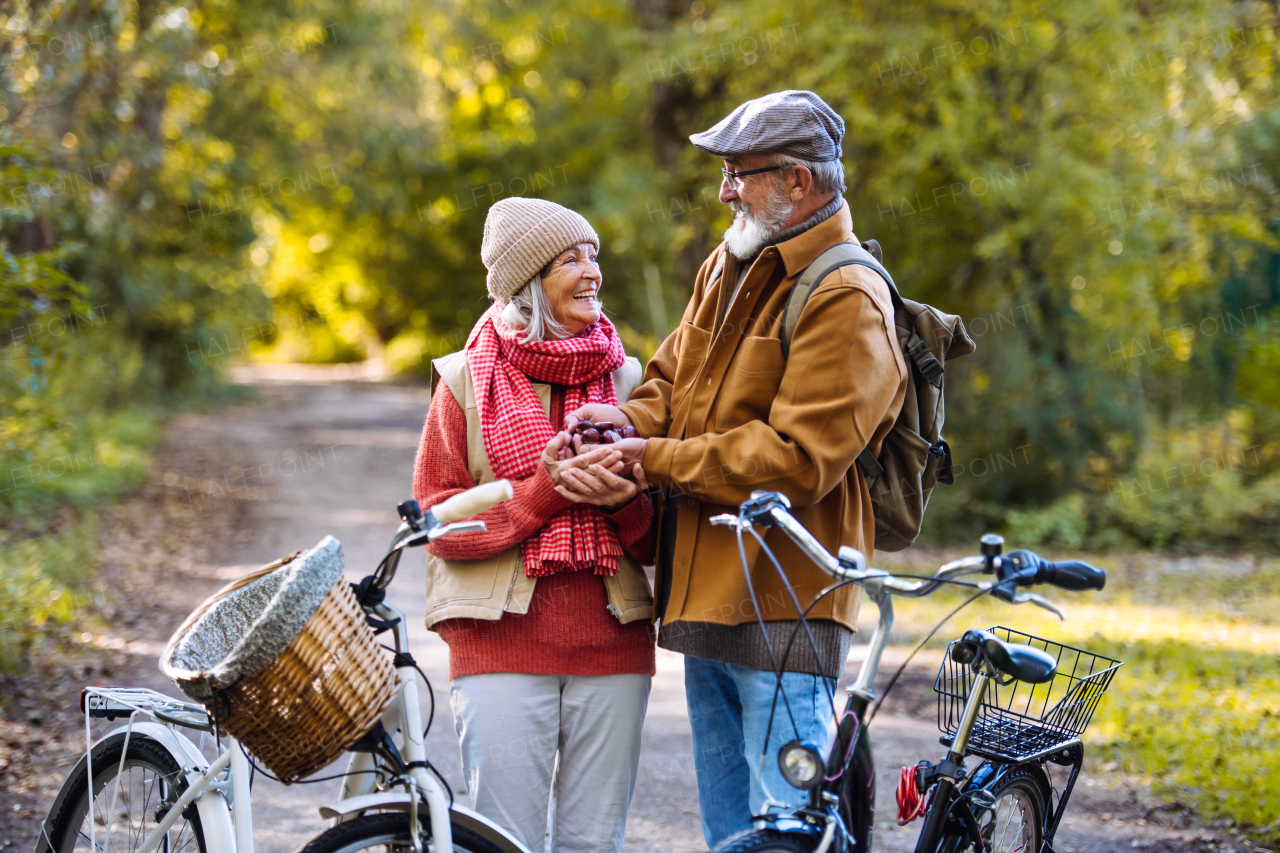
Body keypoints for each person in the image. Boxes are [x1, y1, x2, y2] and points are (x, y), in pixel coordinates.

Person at [565, 90, 908, 847]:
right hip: (708, 599)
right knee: (733, 835)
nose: (724, 190)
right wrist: (626, 419)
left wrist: (650, 457)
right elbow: (669, 378)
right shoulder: (730, 262)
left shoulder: (847, 295)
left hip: (788, 608)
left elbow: (797, 459)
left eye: (738, 173)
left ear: (798, 181)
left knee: (789, 833)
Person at [413, 197, 657, 853]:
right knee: (504, 843)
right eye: (571, 259)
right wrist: (542, 493)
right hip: (500, 647)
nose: (591, 272)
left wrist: (620, 502)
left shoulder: (630, 378)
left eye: (594, 255)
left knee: (591, 843)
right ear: (528, 283)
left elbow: (662, 537)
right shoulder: (465, 379)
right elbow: (436, 522)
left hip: (614, 646)